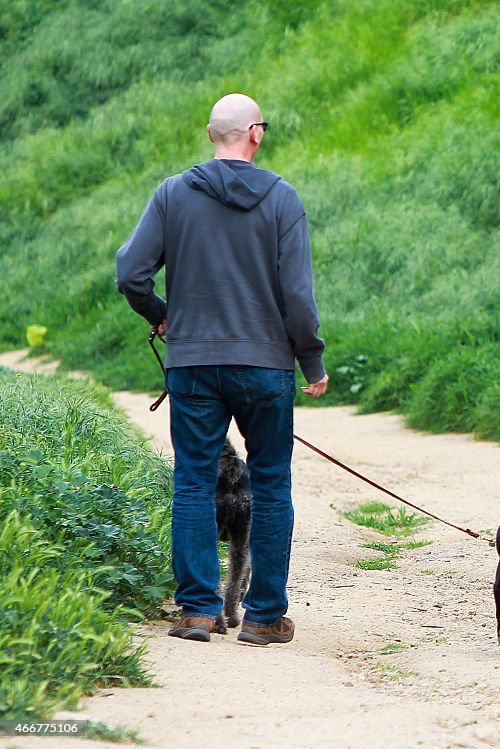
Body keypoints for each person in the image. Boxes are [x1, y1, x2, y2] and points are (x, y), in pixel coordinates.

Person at [116, 93, 329, 644]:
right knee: (271, 484)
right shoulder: (282, 199)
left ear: (211, 133)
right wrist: (310, 358)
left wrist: (165, 317)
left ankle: (197, 612)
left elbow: (131, 273)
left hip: (193, 364)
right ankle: (262, 618)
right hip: (265, 366)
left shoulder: (172, 195)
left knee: (191, 482)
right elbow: (298, 297)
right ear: (255, 133)